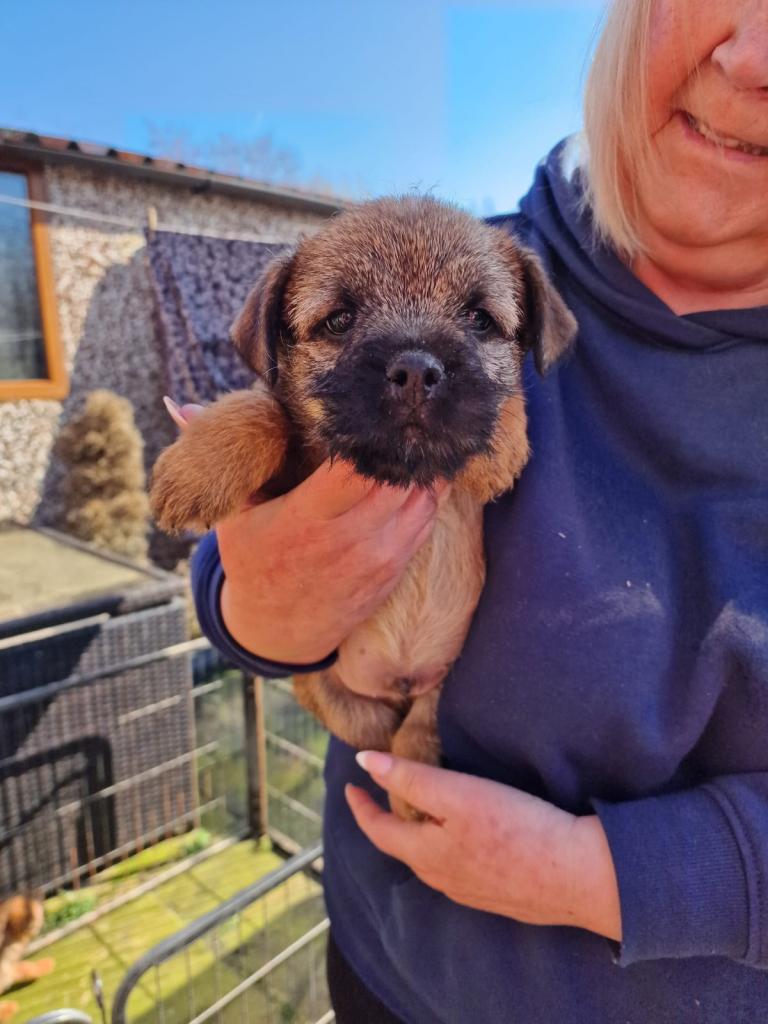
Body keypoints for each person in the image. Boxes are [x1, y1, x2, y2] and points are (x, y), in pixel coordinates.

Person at [188, 0, 768, 1020]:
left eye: (474, 324)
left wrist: (594, 873)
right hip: (385, 973)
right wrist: (252, 611)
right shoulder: (479, 251)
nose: (757, 54)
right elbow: (247, 535)